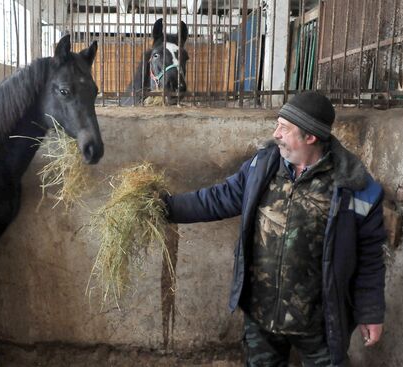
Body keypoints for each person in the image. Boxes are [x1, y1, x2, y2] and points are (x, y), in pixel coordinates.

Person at [163, 91, 386, 366]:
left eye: (284, 128)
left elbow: (370, 256)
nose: (275, 134)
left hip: (319, 320)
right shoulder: (262, 167)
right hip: (262, 316)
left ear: (310, 137)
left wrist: (371, 311)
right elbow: (217, 199)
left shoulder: (356, 187)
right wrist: (165, 208)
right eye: (277, 124)